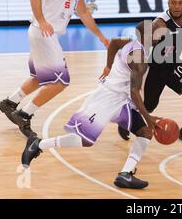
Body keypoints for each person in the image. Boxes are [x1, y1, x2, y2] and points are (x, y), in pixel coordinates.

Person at [21, 22, 160, 189]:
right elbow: (136, 92)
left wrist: (109, 66)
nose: (157, 36)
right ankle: (38, 145)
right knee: (85, 141)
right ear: (144, 36)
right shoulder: (139, 59)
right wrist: (148, 116)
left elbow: (114, 42)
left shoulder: (130, 42)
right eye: (153, 33)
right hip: (106, 99)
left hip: (121, 101)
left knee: (145, 132)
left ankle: (125, 174)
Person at [0, 0, 110, 138]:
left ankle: (10, 102)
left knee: (40, 77)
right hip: (43, 33)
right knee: (60, 82)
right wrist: (42, 21)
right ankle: (25, 114)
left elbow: (84, 14)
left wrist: (101, 36)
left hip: (43, 34)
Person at [118, 0, 182, 146]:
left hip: (173, 64)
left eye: (180, 3)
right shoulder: (159, 24)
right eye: (173, 3)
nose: (177, 6)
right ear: (168, 3)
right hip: (156, 67)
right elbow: (141, 39)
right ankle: (126, 121)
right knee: (149, 106)